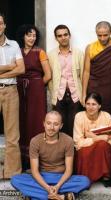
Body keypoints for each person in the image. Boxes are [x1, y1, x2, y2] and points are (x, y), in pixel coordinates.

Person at [11, 111, 90, 200]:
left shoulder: (68, 141)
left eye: (56, 124)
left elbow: (68, 170)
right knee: (15, 180)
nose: (51, 128)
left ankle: (35, 195)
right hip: (42, 177)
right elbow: (34, 171)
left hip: (60, 177)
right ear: (44, 123)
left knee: (85, 181)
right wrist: (48, 188)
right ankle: (61, 197)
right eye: (48, 123)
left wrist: (57, 186)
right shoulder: (35, 141)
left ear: (61, 126)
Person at [16, 24, 51, 170]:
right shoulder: (17, 51)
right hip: (19, 89)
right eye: (28, 35)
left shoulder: (40, 52)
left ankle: (37, 158)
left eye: (34, 35)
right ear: (23, 36)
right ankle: (23, 160)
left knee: (35, 121)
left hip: (36, 90)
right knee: (21, 121)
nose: (31, 38)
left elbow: (48, 75)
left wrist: (36, 85)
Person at [82, 21, 111, 120]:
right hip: (96, 87)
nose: (102, 38)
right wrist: (84, 93)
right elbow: (86, 72)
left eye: (105, 35)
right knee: (95, 115)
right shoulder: (90, 48)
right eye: (99, 35)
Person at [0, 13, 25, 179]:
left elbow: (21, 69)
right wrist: (9, 67)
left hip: (10, 90)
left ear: (4, 25)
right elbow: (15, 67)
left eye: (0, 23)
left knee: (12, 134)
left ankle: (11, 173)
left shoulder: (14, 44)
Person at [48, 24, 83, 137]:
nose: (63, 37)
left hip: (75, 95)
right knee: (59, 125)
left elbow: (83, 75)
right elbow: (50, 77)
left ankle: (74, 153)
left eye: (65, 34)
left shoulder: (78, 53)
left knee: (75, 126)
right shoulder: (51, 55)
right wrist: (53, 93)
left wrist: (83, 95)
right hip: (59, 95)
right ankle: (61, 153)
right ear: (56, 38)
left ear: (69, 35)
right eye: (60, 36)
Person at [73, 92, 111, 184]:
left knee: (103, 145)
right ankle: (87, 178)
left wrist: (91, 136)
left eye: (94, 104)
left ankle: (104, 175)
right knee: (83, 151)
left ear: (99, 106)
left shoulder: (106, 116)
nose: (90, 107)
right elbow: (78, 143)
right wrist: (97, 138)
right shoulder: (79, 116)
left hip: (102, 150)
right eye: (88, 104)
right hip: (86, 149)